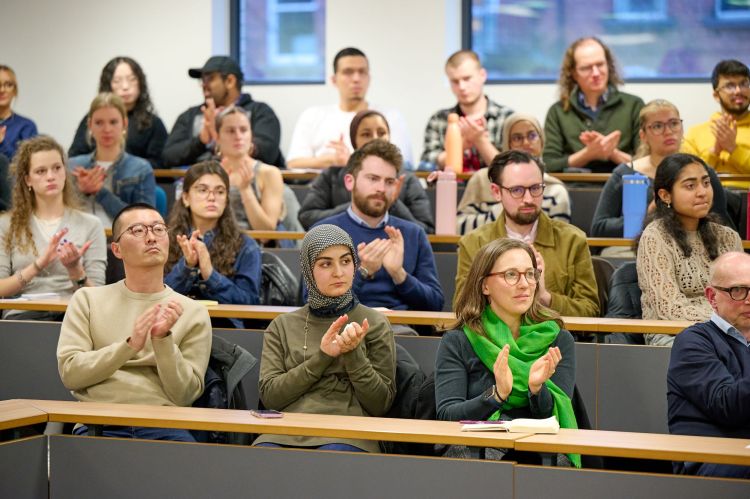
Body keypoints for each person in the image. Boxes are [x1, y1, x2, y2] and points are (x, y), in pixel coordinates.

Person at [57, 203, 212, 441]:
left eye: (159, 229)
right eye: (138, 230)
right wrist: (129, 346)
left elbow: (185, 395)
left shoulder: (192, 312)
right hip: (98, 422)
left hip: (164, 423)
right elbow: (70, 374)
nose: (151, 237)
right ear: (117, 249)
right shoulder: (88, 300)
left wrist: (162, 340)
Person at [436, 238, 579, 466]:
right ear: (485, 286)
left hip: (541, 447)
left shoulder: (557, 338)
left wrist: (536, 389)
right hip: (477, 446)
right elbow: (447, 416)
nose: (524, 284)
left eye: (530, 274)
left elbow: (554, 420)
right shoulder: (459, 340)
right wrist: (497, 395)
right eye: (511, 275)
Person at [254, 224, 396, 451]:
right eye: (326, 263)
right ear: (309, 270)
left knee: (332, 457)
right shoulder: (282, 325)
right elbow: (271, 398)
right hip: (286, 430)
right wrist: (322, 357)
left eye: (346, 261)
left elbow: (380, 404)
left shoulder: (375, 324)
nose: (339, 272)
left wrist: (353, 353)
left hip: (349, 434)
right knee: (262, 455)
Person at [456, 150, 599, 317]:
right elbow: (462, 308)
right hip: (494, 342)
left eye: (535, 188)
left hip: (554, 340)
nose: (529, 199)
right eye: (517, 190)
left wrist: (545, 297)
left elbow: (590, 311)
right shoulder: (474, 243)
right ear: (496, 192)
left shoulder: (573, 240)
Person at [314, 140, 444, 313]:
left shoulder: (414, 234)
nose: (381, 188)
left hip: (401, 330)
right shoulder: (324, 233)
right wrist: (363, 272)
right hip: (341, 329)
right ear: (349, 181)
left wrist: (399, 274)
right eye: (373, 179)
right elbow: (314, 304)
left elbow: (435, 304)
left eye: (389, 182)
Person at [591, 100, 732, 247]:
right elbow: (599, 229)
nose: (668, 131)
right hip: (634, 251)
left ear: (682, 128)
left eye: (674, 123)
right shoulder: (625, 173)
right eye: (658, 126)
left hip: (694, 250)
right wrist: (647, 215)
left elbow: (722, 223)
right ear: (643, 135)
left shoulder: (702, 172)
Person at [636, 153, 742, 346]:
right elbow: (669, 309)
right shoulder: (655, 237)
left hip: (729, 331)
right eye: (690, 186)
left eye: (706, 183)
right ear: (665, 195)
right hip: (672, 333)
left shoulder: (728, 237)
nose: (702, 192)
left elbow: (742, 296)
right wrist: (725, 323)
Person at [0, 136, 106, 320]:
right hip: (22, 317)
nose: (50, 176)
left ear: (65, 172)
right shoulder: (6, 225)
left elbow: (98, 298)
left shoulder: (91, 224)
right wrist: (38, 265)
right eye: (41, 171)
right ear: (27, 180)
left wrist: (76, 271)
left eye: (57, 168)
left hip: (73, 317)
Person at [667, 251, 750, 478]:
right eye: (738, 290)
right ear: (712, 297)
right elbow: (727, 406)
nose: (749, 299)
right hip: (712, 459)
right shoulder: (693, 342)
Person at [298, 109, 434, 233]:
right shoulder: (332, 176)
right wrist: (357, 206)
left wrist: (392, 204)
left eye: (381, 133)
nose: (375, 138)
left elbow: (426, 231)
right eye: (366, 134)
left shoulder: (408, 179)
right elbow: (307, 218)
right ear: (354, 141)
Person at [164, 161, 262, 329]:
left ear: (226, 200)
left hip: (225, 331)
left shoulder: (246, 245)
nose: (212, 197)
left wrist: (209, 274)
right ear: (186, 198)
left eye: (220, 191)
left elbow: (250, 302)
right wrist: (187, 267)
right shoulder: (165, 240)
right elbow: (155, 296)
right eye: (202, 190)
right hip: (173, 327)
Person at [286, 47, 412, 169]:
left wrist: (349, 161)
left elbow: (403, 163)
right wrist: (331, 160)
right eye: (348, 72)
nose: (356, 79)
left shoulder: (390, 116)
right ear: (334, 80)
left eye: (362, 72)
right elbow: (294, 162)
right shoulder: (312, 115)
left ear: (369, 78)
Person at [457, 113, 571, 235]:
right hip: (486, 251)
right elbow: (458, 227)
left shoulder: (555, 190)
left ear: (542, 142)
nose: (526, 143)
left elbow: (559, 239)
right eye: (517, 138)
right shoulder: (481, 180)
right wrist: (502, 211)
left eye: (532, 136)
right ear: (507, 144)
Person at [543, 37, 644, 173]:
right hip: (574, 190)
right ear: (573, 73)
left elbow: (646, 162)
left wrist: (612, 152)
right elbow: (549, 164)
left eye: (600, 64)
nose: (596, 73)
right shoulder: (558, 112)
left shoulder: (634, 106)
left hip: (624, 189)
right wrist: (588, 154)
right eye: (586, 68)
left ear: (608, 65)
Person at [162, 56, 284, 168]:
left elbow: (268, 152)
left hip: (247, 182)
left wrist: (230, 143)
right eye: (202, 80)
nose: (204, 85)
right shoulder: (190, 116)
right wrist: (201, 141)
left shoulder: (260, 112)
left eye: (210, 79)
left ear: (230, 81)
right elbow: (168, 157)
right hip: (198, 185)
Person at [69, 93, 156, 229]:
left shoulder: (141, 169)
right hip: (79, 243)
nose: (107, 129)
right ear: (90, 125)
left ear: (124, 123)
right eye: (99, 123)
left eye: (113, 122)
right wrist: (80, 191)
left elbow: (144, 223)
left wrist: (100, 193)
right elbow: (59, 216)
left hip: (123, 246)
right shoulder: (73, 166)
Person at [213, 105, 302, 237]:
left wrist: (245, 190)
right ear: (217, 137)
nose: (238, 136)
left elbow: (266, 233)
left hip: (256, 249)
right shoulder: (209, 173)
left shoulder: (269, 173)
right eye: (230, 131)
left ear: (251, 135)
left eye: (243, 130)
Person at [421, 50, 514, 172]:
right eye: (454, 81)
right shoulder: (439, 119)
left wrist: (480, 140)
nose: (462, 87)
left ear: (482, 75)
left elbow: (511, 172)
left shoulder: (506, 118)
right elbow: (428, 165)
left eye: (467, 78)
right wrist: (462, 144)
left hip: (491, 190)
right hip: (450, 190)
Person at [69, 56, 168, 168]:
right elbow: (74, 157)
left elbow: (162, 163)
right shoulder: (95, 118)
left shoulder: (153, 123)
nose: (125, 87)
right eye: (117, 81)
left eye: (132, 79)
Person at [683, 59, 750, 188]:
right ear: (716, 95)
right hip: (708, 202)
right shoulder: (695, 133)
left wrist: (734, 149)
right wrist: (714, 152)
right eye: (730, 86)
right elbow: (687, 178)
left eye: (744, 84)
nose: (738, 91)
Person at [0, 65, 37, 161]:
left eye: (8, 84)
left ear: (15, 90)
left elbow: (26, 165)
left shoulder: (26, 126)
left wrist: (2, 143)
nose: (2, 90)